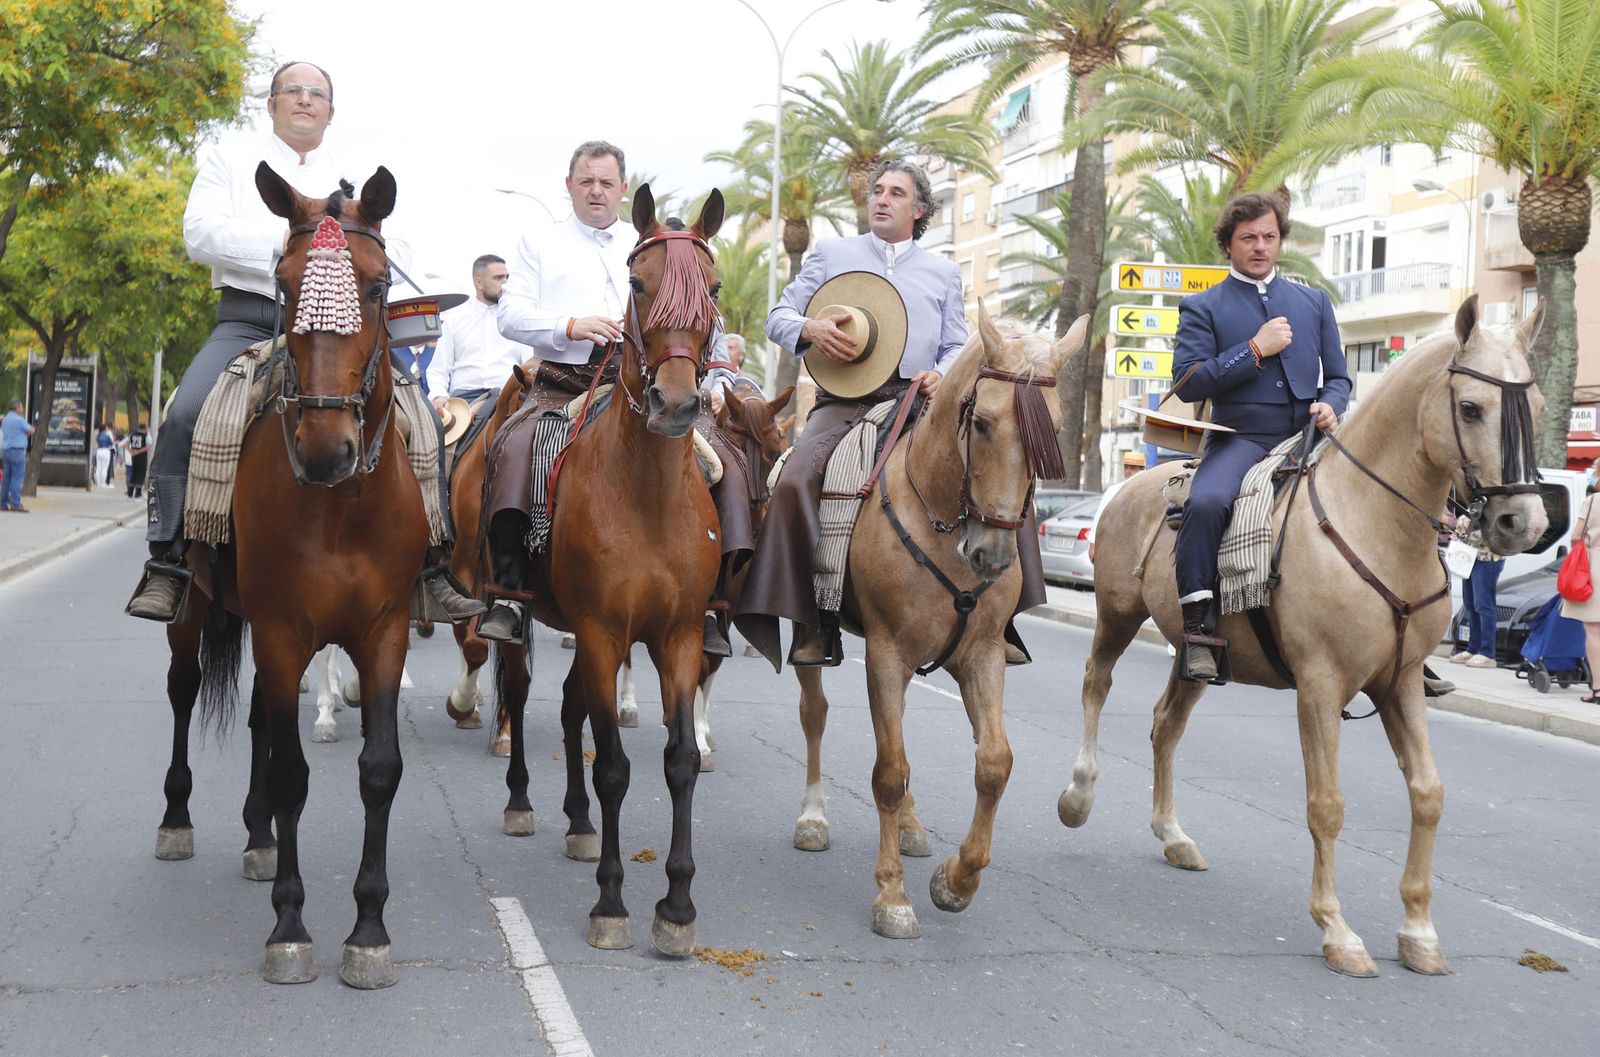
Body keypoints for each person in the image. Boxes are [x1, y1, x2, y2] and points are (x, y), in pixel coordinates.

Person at [125, 60, 482, 624]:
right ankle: (167, 561)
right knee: (186, 412)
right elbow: (200, 233)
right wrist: (295, 240)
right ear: (271, 104)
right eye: (292, 90)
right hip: (249, 320)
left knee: (423, 418)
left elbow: (400, 247)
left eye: (316, 93)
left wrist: (349, 250)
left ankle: (433, 568)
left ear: (331, 110)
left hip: (342, 331)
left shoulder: (356, 169)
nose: (304, 100)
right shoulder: (230, 160)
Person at [735, 158, 1045, 669]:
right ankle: (813, 621)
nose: (881, 198)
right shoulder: (833, 253)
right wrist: (809, 329)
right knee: (793, 479)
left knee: (1004, 469)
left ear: (919, 208)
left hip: (919, 402)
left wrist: (942, 374)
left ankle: (1004, 616)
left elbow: (953, 344)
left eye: (896, 193)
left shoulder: (943, 271)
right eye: (877, 190)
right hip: (844, 402)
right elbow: (779, 316)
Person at [1169, 192, 1352, 681]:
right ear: (1228, 244)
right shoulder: (1203, 306)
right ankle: (1198, 631)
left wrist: (1331, 406)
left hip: (1306, 433)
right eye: (1248, 238)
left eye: (1269, 237)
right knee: (1206, 503)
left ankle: (1400, 632)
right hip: (1241, 436)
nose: (1260, 246)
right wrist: (1253, 348)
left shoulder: (1313, 302)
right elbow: (1188, 384)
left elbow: (1338, 377)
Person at [475, 140, 634, 644]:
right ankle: (509, 593)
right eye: (586, 181)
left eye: (607, 182)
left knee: (716, 455)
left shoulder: (645, 241)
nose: (596, 191)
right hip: (561, 385)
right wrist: (570, 324)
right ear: (568, 186)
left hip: (634, 388)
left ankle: (714, 600)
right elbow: (510, 315)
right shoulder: (539, 241)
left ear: (623, 190)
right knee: (514, 448)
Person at [426, 254, 529, 414]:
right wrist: (439, 396)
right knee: (436, 436)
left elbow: (529, 363)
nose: (505, 283)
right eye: (498, 278)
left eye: (507, 277)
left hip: (510, 397)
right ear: (478, 282)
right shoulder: (454, 319)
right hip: (464, 401)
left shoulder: (517, 319)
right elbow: (438, 369)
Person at [1560, 483, 1600, 701]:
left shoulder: (1593, 501)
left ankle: (1597, 688)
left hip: (1594, 566)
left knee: (1594, 631)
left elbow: (1576, 535)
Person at [702, 332, 752, 410]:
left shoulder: (749, 380)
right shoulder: (710, 374)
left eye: (731, 348)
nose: (725, 351)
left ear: (741, 356)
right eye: (725, 348)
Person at [2, 398, 34, 512]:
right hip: (17, 451)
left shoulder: (5, 419)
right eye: (21, 407)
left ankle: (2, 504)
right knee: (17, 478)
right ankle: (15, 504)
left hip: (6, 451)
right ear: (17, 408)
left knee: (6, 478)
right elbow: (31, 430)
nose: (23, 409)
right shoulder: (19, 419)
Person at [125, 419, 150, 499]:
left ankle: (130, 493)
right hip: (142, 457)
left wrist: (131, 451)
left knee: (134, 474)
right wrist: (138, 451)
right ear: (145, 428)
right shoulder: (146, 436)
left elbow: (126, 445)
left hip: (134, 457)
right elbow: (148, 447)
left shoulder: (132, 434)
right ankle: (138, 494)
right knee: (141, 474)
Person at [94, 423, 115, 489]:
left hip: (99, 450)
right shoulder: (107, 435)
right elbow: (111, 443)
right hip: (106, 450)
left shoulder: (98, 435)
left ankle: (98, 483)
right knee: (104, 468)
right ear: (105, 428)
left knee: (98, 467)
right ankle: (103, 483)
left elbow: (97, 441)